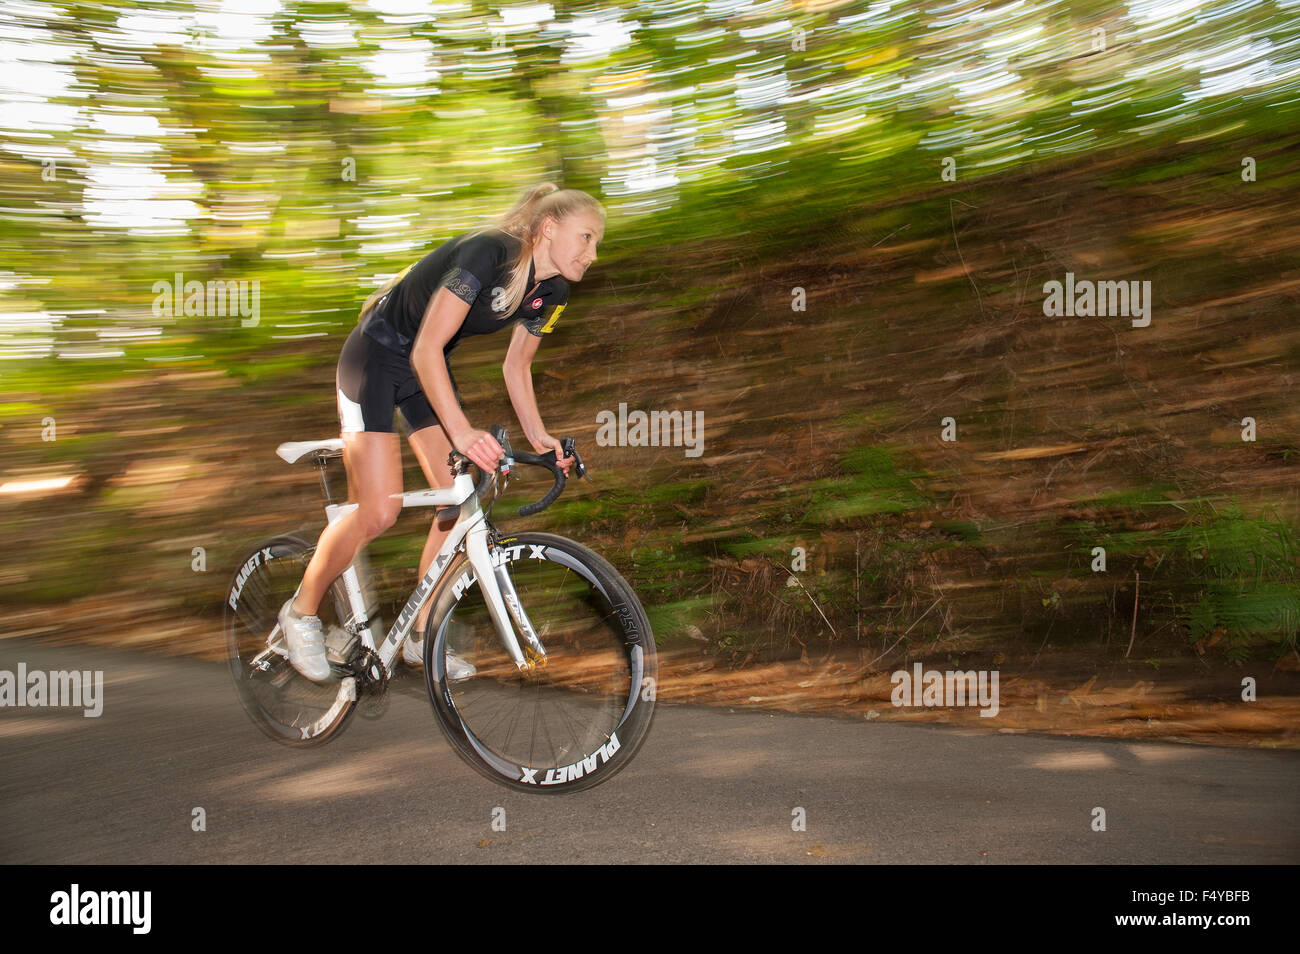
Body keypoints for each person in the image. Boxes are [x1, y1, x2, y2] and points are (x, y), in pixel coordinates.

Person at [278, 183, 605, 682]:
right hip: (376, 357)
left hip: (422, 369)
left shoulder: (554, 291)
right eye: (586, 237)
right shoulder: (488, 252)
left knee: (459, 500)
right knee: (379, 510)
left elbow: (517, 367)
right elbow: (426, 345)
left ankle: (418, 632)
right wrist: (462, 431)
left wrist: (539, 436)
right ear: (549, 227)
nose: (593, 253)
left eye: (598, 243)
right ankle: (299, 614)